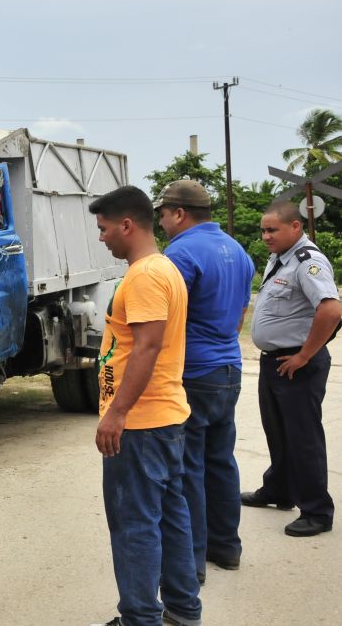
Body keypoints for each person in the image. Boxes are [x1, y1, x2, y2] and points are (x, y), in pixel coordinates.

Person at [89, 185, 201, 626]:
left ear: (127, 225)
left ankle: (140, 618)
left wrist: (116, 413)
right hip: (163, 417)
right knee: (171, 516)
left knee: (134, 527)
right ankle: (182, 611)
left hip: (141, 423)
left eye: (104, 229)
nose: (102, 238)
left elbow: (148, 347)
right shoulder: (162, 268)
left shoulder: (145, 276)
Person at [154, 180, 255, 584]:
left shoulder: (180, 252)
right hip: (229, 369)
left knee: (188, 467)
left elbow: (165, 318)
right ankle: (227, 548)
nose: (160, 222)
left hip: (193, 373)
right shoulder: (238, 250)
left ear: (179, 213)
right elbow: (240, 314)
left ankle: (191, 562)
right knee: (221, 460)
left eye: (162, 213)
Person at [243, 200, 340, 537]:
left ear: (295, 227)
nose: (265, 236)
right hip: (276, 362)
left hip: (297, 364)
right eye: (263, 230)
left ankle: (316, 510)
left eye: (272, 230)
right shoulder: (279, 259)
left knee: (303, 437)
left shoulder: (307, 261)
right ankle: (279, 490)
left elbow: (331, 311)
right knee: (279, 432)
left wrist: (304, 355)